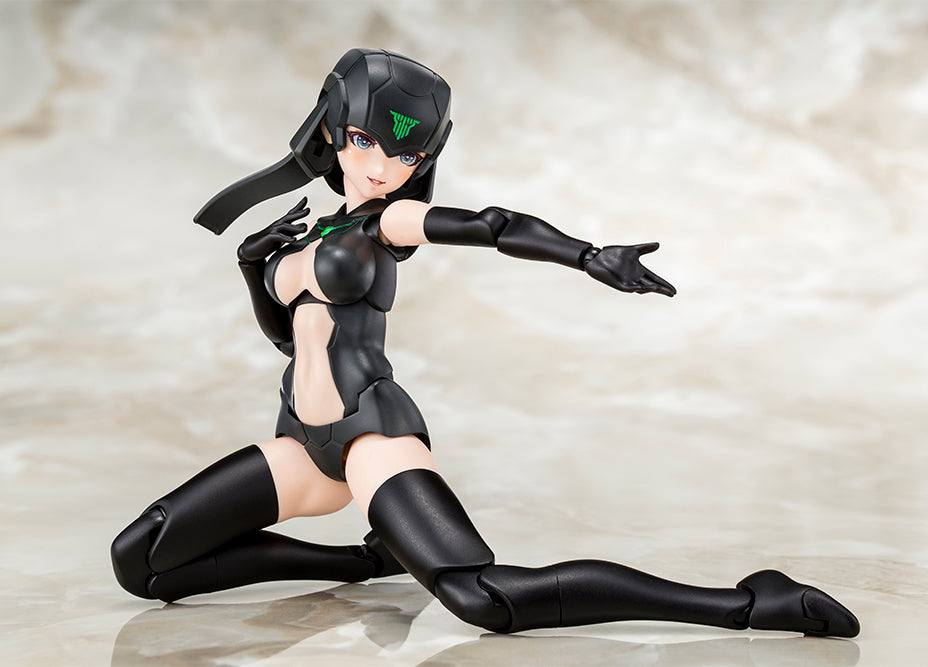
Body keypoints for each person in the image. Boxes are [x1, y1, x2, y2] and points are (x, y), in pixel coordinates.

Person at [111, 48, 859, 638]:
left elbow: (492, 225)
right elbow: (290, 339)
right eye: (365, 140)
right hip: (302, 442)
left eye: (404, 156)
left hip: (371, 436)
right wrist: (255, 269)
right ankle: (365, 561)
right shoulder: (310, 232)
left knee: (484, 597)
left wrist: (586, 255)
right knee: (141, 561)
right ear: (333, 131)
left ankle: (748, 602)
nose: (381, 167)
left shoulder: (386, 223)